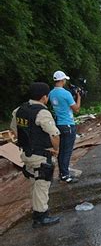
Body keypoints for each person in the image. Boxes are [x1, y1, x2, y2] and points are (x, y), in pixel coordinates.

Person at [11, 82, 61, 227]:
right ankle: (41, 216)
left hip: (26, 154)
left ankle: (37, 212)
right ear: (44, 97)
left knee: (35, 183)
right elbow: (54, 134)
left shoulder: (19, 110)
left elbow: (14, 129)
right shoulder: (42, 113)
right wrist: (56, 149)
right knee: (42, 184)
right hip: (40, 154)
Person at [49, 70, 80, 183]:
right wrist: (79, 96)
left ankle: (62, 173)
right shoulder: (66, 93)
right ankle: (65, 175)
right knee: (67, 151)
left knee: (61, 151)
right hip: (68, 124)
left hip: (58, 124)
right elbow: (76, 108)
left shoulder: (51, 93)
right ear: (62, 80)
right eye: (65, 80)